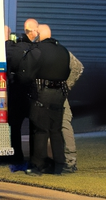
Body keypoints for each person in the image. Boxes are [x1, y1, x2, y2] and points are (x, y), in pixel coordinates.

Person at [21, 24, 80, 175]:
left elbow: (27, 73)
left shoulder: (37, 51)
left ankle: (41, 165)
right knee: (57, 130)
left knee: (42, 129)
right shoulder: (63, 50)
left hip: (43, 92)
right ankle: (62, 164)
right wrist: (66, 86)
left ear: (38, 34)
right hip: (59, 93)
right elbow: (77, 67)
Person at [5, 19, 38, 171]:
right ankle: (34, 158)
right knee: (35, 127)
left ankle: (16, 157)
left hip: (15, 92)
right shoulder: (37, 49)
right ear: (32, 31)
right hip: (31, 93)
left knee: (15, 127)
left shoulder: (14, 48)